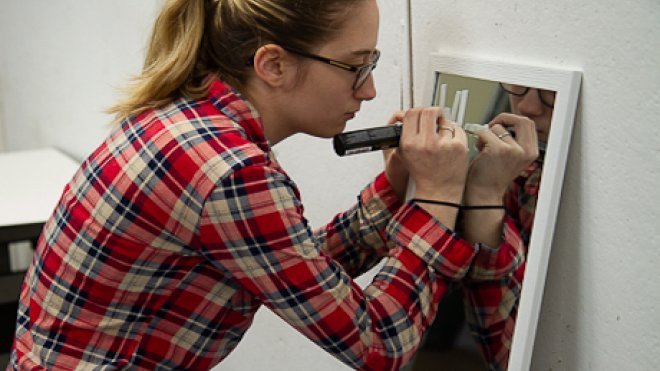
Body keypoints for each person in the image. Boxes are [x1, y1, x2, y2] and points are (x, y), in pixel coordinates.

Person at [9, 0, 537, 369]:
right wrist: (438, 197)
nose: (371, 90)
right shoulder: (231, 172)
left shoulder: (188, 122)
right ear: (274, 65)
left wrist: (397, 187)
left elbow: (292, 270)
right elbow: (382, 347)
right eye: (356, 66)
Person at [412, 83, 553, 371]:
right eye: (519, 87)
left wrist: (485, 197)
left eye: (550, 93)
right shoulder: (518, 170)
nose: (527, 107)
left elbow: (516, 358)